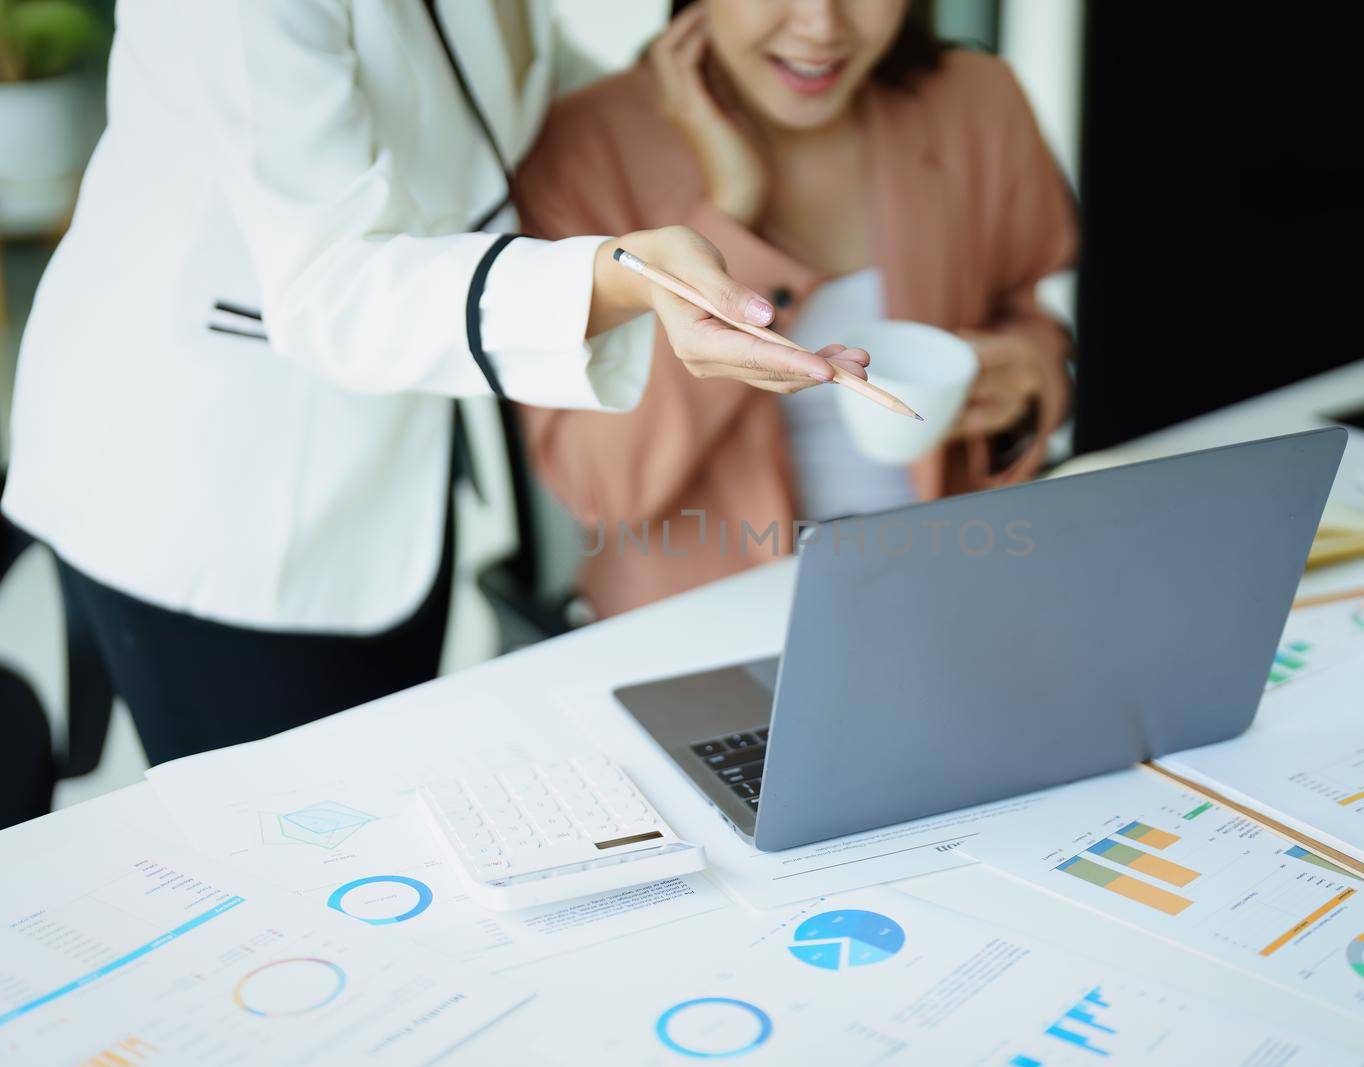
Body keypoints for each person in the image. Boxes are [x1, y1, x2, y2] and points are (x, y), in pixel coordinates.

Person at [0, 0, 866, 766]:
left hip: (382, 466)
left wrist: (703, 111)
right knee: (291, 854)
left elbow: (520, 96)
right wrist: (627, 277)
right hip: (205, 483)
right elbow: (330, 287)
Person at [517, 0, 1078, 617]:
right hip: (705, 631)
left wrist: (1027, 382)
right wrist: (730, 219)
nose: (821, 26)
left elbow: (1034, 321)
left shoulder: (976, 103)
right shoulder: (582, 151)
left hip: (961, 591)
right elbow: (600, 486)